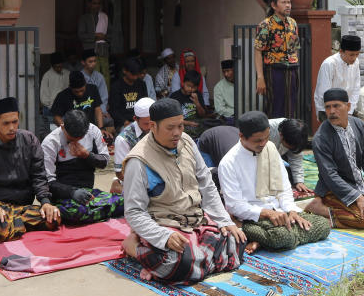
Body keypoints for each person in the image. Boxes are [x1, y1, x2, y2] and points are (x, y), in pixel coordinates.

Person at [121, 98, 246, 284]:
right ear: (153, 126)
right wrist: (164, 236)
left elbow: (206, 183)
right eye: (170, 127)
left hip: (195, 220)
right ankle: (133, 248)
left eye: (181, 126)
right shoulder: (138, 161)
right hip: (165, 225)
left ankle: (187, 263)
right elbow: (133, 212)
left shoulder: (186, 141)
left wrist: (223, 220)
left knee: (236, 239)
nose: (177, 133)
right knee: (180, 263)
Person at [218, 111, 330, 253]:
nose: (263, 143)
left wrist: (291, 211)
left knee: (323, 225)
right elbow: (235, 206)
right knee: (282, 236)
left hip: (279, 211)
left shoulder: (270, 147)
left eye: (266, 138)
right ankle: (275, 238)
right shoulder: (228, 163)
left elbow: (284, 187)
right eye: (258, 140)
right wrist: (266, 213)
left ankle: (263, 241)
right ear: (241, 136)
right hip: (253, 218)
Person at [0, 97, 60, 241]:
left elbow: (39, 176)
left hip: (23, 207)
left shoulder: (30, 141)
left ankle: (11, 225)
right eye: (6, 123)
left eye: (14, 122)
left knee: (53, 219)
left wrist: (45, 202)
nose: (11, 127)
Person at [303, 89, 364, 229]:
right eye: (328, 107)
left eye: (336, 106)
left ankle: (363, 209)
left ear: (348, 106)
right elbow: (330, 176)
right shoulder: (321, 138)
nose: (331, 111)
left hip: (357, 185)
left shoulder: (358, 125)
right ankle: (321, 209)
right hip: (333, 190)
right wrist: (358, 199)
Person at [41, 109, 123, 224]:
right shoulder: (50, 143)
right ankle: (98, 213)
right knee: (76, 212)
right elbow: (47, 182)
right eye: (71, 139)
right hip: (64, 196)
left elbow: (104, 161)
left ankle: (96, 212)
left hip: (88, 193)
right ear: (63, 126)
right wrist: (72, 192)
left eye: (79, 139)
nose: (74, 143)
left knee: (122, 202)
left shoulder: (93, 131)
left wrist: (87, 155)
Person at [254, 0, 301, 118]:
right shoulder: (266, 25)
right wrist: (260, 78)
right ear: (274, 5)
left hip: (292, 69)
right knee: (274, 107)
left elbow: (294, 47)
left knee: (291, 107)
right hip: (274, 70)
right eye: (284, 2)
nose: (288, 5)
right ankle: (272, 137)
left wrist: (295, 64)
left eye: (289, 2)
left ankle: (288, 136)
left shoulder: (293, 23)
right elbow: (258, 51)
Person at [313, 35, 363, 124]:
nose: (354, 58)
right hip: (328, 109)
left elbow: (356, 88)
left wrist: (349, 111)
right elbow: (323, 94)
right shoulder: (329, 64)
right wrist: (338, 112)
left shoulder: (356, 62)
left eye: (357, 55)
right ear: (341, 52)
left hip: (347, 109)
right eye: (351, 55)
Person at [112, 97, 155, 194]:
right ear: (135, 119)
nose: (150, 127)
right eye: (146, 124)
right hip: (135, 182)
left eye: (153, 123)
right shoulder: (124, 139)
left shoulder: (158, 128)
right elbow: (120, 173)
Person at [268, 118, 313, 196]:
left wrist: (299, 181)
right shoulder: (266, 131)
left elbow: (296, 159)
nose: (290, 149)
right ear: (281, 135)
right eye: (289, 146)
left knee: (289, 180)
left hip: (276, 158)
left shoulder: (297, 135)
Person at [78, 0, 110, 87]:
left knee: (105, 75)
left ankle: (106, 97)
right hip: (90, 51)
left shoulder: (104, 17)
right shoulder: (84, 18)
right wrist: (95, 36)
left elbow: (111, 34)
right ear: (89, 4)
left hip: (103, 50)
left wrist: (104, 37)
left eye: (98, 3)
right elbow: (81, 35)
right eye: (94, 3)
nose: (96, 6)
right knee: (93, 75)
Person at [109, 58, 150, 130]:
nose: (135, 77)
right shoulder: (116, 86)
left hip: (140, 120)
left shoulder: (141, 84)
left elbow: (145, 104)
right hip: (123, 123)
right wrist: (125, 122)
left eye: (137, 74)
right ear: (124, 71)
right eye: (133, 74)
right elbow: (114, 110)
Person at [80, 48, 110, 130]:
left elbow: (104, 97)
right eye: (90, 61)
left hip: (98, 110)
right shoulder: (79, 76)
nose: (93, 64)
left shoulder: (99, 77)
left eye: (94, 61)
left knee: (108, 120)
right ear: (83, 62)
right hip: (83, 110)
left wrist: (103, 111)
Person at [39, 52, 69, 128]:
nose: (59, 68)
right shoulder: (47, 76)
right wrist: (52, 107)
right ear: (52, 66)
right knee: (52, 131)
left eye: (60, 66)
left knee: (66, 130)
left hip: (66, 109)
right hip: (50, 110)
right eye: (56, 67)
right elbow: (44, 96)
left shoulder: (68, 74)